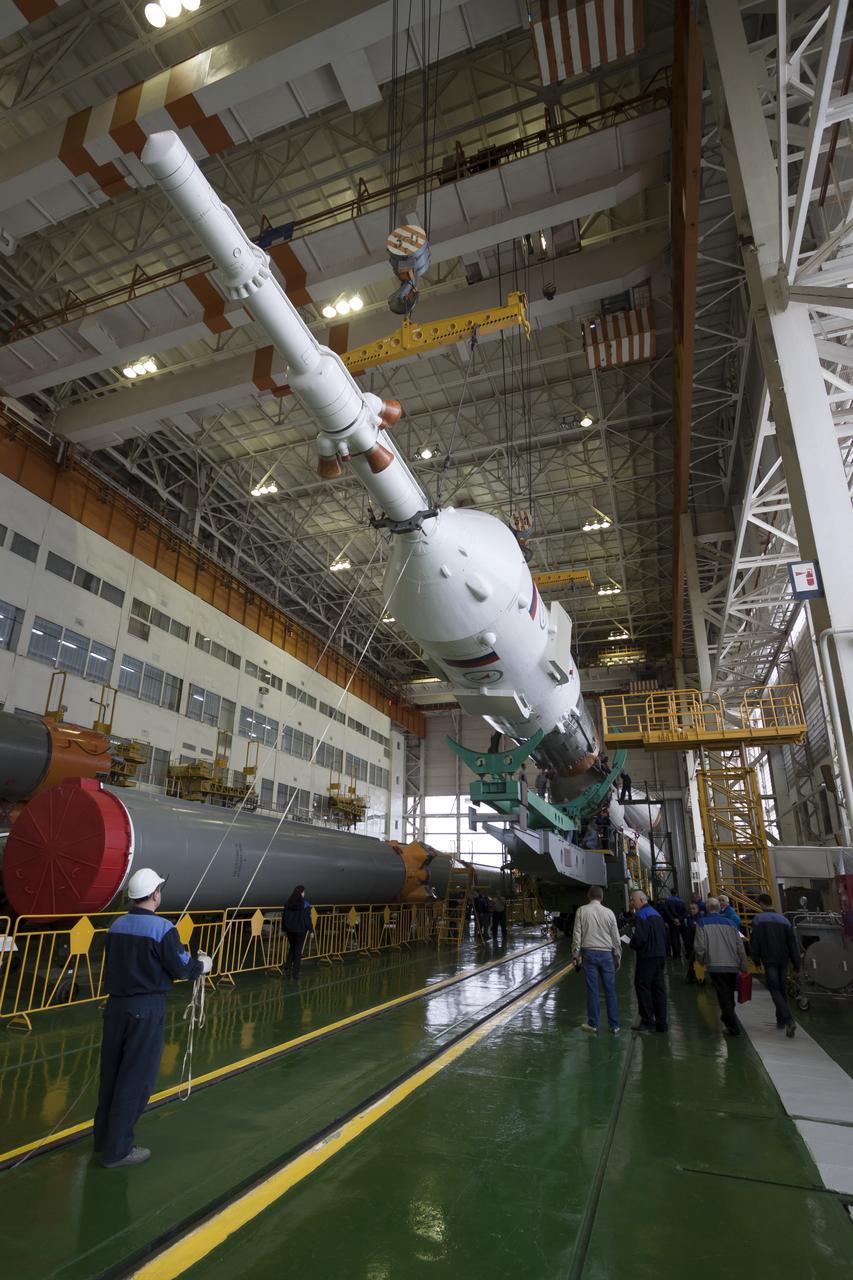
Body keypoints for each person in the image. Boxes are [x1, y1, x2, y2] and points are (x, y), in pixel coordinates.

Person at [94, 868, 211, 1169]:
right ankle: (118, 1151)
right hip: (145, 1010)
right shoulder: (163, 929)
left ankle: (103, 1140)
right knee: (136, 1079)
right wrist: (202, 965)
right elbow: (183, 969)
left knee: (112, 1075)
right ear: (155, 894)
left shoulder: (116, 925)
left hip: (116, 1008)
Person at [693, 896, 748, 1035]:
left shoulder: (702, 923)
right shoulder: (731, 923)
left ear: (706, 908)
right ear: (719, 908)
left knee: (723, 995)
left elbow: (699, 947)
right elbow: (740, 946)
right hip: (732, 965)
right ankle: (729, 1018)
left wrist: (702, 960)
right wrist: (743, 965)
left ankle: (732, 1026)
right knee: (729, 993)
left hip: (715, 965)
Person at [572, 886, 621, 1034]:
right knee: (610, 990)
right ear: (602, 897)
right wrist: (617, 956)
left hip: (589, 954)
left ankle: (593, 1024)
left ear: (588, 896)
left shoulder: (581, 911)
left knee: (592, 990)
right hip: (607, 955)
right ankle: (614, 1026)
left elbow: (577, 935)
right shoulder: (609, 913)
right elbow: (616, 937)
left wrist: (575, 954)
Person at [750, 894, 801, 1037]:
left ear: (760, 903)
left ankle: (789, 1019)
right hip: (783, 960)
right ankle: (781, 1020)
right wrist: (797, 965)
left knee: (775, 989)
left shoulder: (758, 920)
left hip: (769, 959)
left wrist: (755, 960)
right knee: (781, 988)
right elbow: (792, 944)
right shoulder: (784, 920)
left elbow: (755, 942)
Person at [628, 890, 668, 1033]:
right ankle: (662, 1023)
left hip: (647, 957)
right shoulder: (656, 914)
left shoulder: (641, 915)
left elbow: (640, 938)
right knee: (659, 989)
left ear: (641, 900)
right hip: (660, 955)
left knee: (642, 987)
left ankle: (647, 1022)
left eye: (632, 900)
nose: (632, 903)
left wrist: (631, 943)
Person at [282, 885, 314, 978]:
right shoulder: (305, 904)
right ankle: (295, 973)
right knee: (298, 951)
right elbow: (307, 919)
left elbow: (284, 917)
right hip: (300, 930)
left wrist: (284, 929)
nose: (304, 893)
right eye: (303, 892)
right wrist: (311, 930)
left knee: (292, 948)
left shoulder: (288, 903)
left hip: (290, 931)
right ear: (301, 893)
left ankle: (287, 967)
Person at [662, 888, 687, 960]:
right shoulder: (681, 901)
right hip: (681, 922)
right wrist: (679, 919)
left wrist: (673, 919)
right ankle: (688, 953)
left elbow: (666, 912)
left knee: (674, 938)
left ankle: (676, 955)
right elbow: (685, 912)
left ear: (671, 893)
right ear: (677, 893)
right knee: (685, 937)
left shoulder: (667, 901)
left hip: (672, 922)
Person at [684, 901, 702, 983]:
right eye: (690, 909)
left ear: (698, 909)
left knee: (695, 961)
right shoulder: (688, 918)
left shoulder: (700, 919)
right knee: (693, 960)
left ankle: (694, 977)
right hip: (690, 943)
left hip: (697, 943)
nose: (692, 910)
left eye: (694, 909)